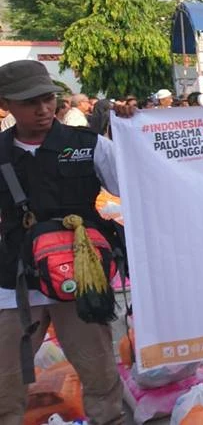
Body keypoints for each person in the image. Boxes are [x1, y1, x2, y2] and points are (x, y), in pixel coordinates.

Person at [0, 60, 133, 425]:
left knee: (100, 371)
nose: (43, 109)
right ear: (5, 104)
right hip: (14, 281)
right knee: (5, 379)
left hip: (82, 278)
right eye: (30, 102)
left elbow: (137, 184)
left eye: (48, 99)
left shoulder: (87, 145)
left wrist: (132, 130)